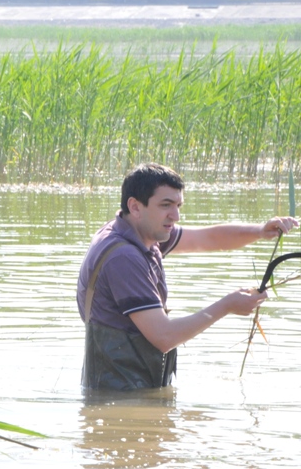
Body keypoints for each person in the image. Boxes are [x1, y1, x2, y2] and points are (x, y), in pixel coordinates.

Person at [77, 163, 297, 391]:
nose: (176, 215)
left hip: (131, 387)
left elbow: (208, 239)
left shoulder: (139, 233)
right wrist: (227, 305)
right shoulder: (123, 257)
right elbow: (164, 337)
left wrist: (260, 231)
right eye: (166, 205)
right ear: (135, 206)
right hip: (119, 396)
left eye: (178, 205)